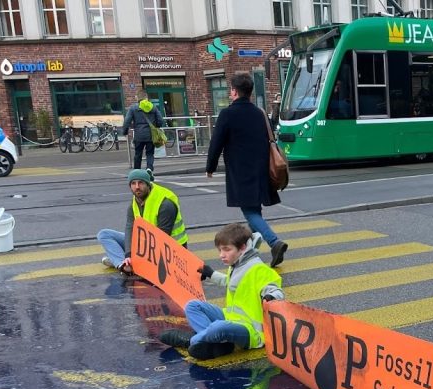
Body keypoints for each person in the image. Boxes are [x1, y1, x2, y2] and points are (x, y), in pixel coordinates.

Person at [159, 223, 285, 360]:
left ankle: (191, 341)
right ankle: (216, 344)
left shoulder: (260, 270)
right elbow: (232, 283)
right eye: (219, 250)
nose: (221, 255)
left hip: (251, 330)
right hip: (230, 317)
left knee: (218, 327)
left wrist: (271, 296)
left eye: (226, 250)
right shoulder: (237, 264)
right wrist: (211, 274)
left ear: (243, 247)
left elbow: (276, 290)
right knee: (192, 306)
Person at [206, 72, 289, 269]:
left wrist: (210, 167)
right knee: (254, 210)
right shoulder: (260, 113)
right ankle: (250, 253)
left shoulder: (227, 114)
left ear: (234, 92)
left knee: (249, 211)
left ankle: (274, 242)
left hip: (240, 171)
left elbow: (216, 143)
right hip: (261, 169)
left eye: (231, 90)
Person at [97, 169, 188, 272]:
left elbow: (161, 239)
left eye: (141, 183)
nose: (137, 187)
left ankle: (122, 261)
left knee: (148, 260)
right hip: (145, 243)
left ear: (148, 184)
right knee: (104, 234)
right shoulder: (135, 202)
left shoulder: (165, 204)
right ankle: (123, 264)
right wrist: (128, 254)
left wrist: (138, 254)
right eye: (133, 183)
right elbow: (130, 228)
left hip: (171, 250)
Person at [121, 89, 164, 173]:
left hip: (139, 135)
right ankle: (149, 168)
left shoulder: (133, 108)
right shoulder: (153, 107)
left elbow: (127, 121)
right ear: (146, 97)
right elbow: (160, 121)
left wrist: (125, 131)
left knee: (138, 154)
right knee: (150, 153)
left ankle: (137, 171)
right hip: (151, 135)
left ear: (137, 98)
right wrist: (156, 126)